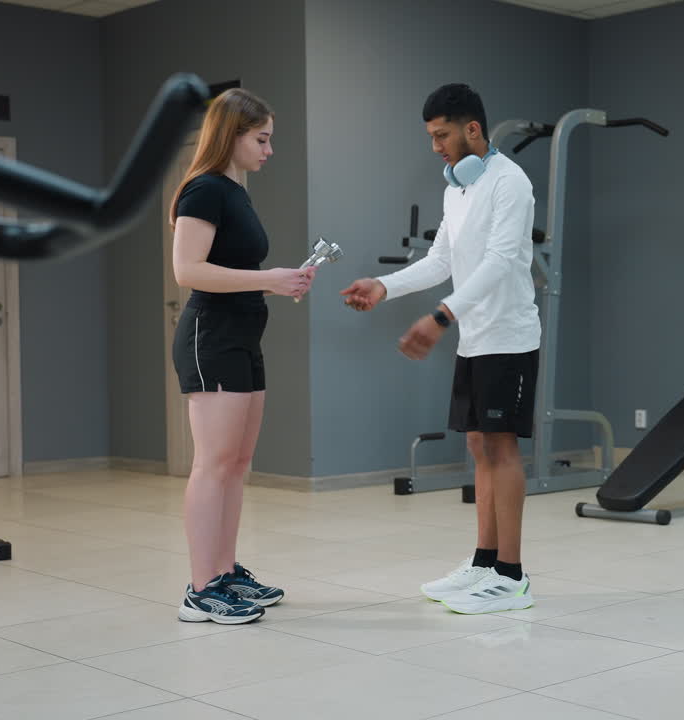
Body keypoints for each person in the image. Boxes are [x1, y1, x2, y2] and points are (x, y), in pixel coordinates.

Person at [341, 83, 539, 614]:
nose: (436, 147)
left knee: (502, 447)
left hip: (509, 335)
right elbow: (441, 261)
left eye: (442, 135)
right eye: (431, 137)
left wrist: (440, 316)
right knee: (478, 445)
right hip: (475, 339)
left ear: (472, 129)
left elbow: (499, 262)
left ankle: (512, 576)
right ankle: (484, 562)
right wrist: (387, 288)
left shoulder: (510, 183)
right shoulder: (457, 189)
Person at [169, 88, 315, 624]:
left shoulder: (235, 191)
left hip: (243, 337)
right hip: (212, 338)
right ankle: (201, 589)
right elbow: (187, 270)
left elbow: (235, 267)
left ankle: (224, 572)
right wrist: (267, 279)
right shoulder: (204, 190)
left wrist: (280, 282)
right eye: (262, 138)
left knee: (236, 464)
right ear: (232, 135)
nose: (269, 150)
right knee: (212, 464)